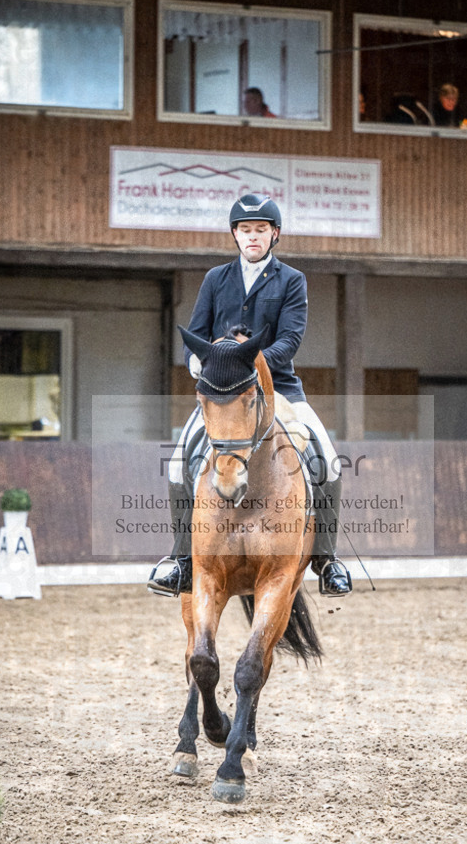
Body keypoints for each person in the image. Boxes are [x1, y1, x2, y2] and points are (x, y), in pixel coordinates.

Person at [147, 193, 352, 599]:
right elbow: (197, 333)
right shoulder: (215, 279)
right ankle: (181, 560)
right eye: (245, 230)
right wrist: (196, 363)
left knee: (328, 460)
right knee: (175, 467)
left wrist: (252, 366)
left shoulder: (291, 280)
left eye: (260, 230)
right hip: (222, 392)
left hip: (278, 388)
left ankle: (327, 560)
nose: (252, 237)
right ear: (235, 235)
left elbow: (290, 339)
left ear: (274, 235)